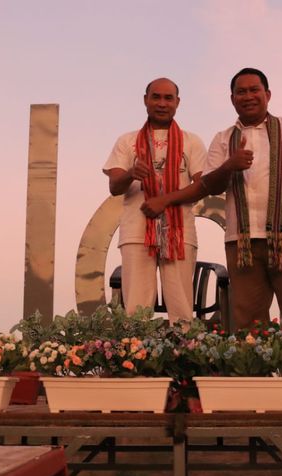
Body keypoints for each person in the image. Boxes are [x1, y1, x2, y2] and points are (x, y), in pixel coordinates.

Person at [200, 68, 282, 332]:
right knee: (248, 321)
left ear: (267, 95)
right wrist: (230, 165)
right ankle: (255, 374)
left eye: (254, 90)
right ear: (232, 98)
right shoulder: (222, 138)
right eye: (241, 92)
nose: (248, 96)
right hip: (242, 242)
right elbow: (210, 185)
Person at [102, 78, 207, 324]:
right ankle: (137, 360)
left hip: (179, 232)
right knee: (136, 312)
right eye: (156, 97)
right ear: (145, 100)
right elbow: (115, 186)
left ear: (177, 102)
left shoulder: (191, 141)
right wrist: (130, 174)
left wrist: (164, 201)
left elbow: (203, 186)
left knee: (182, 311)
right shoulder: (127, 141)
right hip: (136, 232)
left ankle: (183, 360)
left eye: (168, 98)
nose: (162, 103)